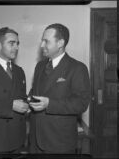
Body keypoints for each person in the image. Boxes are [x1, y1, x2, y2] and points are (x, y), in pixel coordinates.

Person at [28, 23, 91, 154]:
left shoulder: (78, 68)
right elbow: (35, 92)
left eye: (46, 41)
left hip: (59, 143)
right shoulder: (39, 66)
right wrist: (28, 102)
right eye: (42, 41)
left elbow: (81, 104)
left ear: (60, 43)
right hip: (35, 141)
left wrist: (49, 104)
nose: (41, 45)